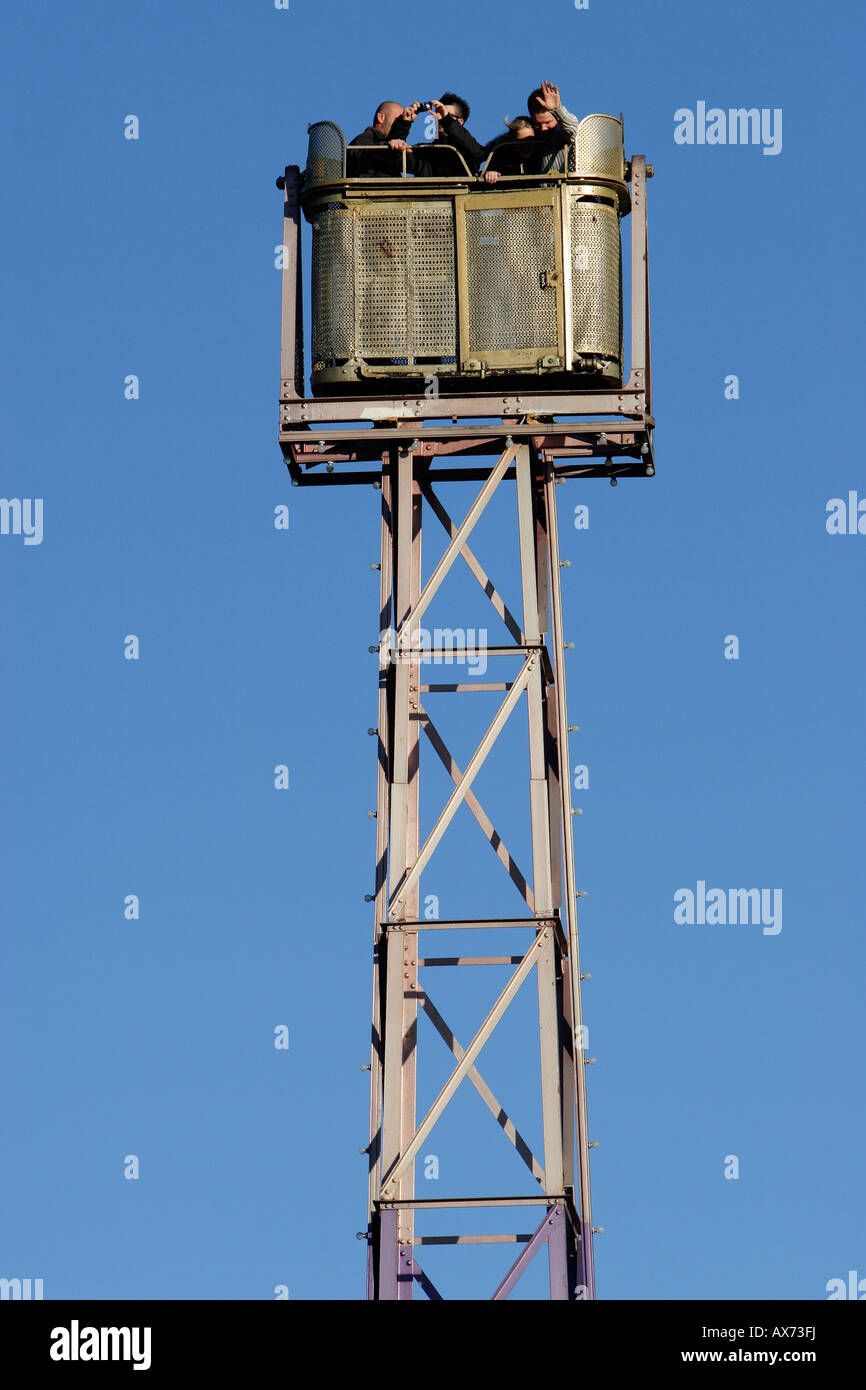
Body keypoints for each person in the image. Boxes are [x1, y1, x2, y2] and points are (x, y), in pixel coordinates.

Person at [411, 93, 486, 177]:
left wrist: (446, 120)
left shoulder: (469, 150)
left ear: (460, 122)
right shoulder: (425, 150)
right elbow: (397, 160)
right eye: (438, 114)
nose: (439, 118)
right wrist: (404, 122)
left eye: (446, 114)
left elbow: (480, 154)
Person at [347, 100, 421, 177]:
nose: (398, 123)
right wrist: (389, 146)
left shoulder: (394, 151)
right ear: (381, 117)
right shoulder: (364, 139)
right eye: (398, 119)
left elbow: (419, 166)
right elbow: (362, 153)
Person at [525, 81, 580, 174]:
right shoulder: (530, 138)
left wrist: (556, 109)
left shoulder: (563, 133)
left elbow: (573, 129)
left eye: (547, 122)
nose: (543, 128)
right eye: (538, 124)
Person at [482, 116, 535, 183]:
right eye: (520, 142)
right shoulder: (500, 155)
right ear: (511, 141)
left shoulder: (543, 153)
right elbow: (492, 168)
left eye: (530, 140)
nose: (525, 146)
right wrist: (491, 173)